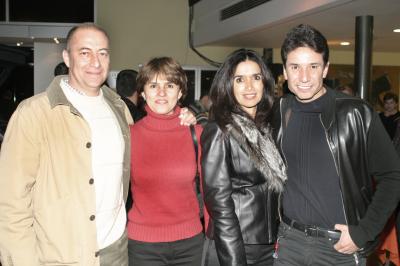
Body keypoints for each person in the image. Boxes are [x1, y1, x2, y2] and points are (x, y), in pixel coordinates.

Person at [0, 23, 134, 266]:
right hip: (59, 256)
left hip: (116, 251)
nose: (95, 61)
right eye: (85, 52)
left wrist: (183, 118)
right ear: (67, 57)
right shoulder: (33, 113)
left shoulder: (120, 108)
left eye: (102, 53)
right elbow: (11, 202)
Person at [272, 24, 400, 266]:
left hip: (338, 248)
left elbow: (393, 176)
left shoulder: (355, 112)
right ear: (285, 72)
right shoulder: (279, 111)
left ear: (325, 69)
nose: (304, 77)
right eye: (295, 67)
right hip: (289, 242)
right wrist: (193, 116)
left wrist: (363, 231)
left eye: (313, 66)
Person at [201, 49, 287, 266]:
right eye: (240, 79)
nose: (249, 87)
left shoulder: (268, 127)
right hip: (236, 246)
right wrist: (234, 259)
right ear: (228, 85)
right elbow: (219, 204)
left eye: (256, 78)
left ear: (265, 83)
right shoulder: (220, 129)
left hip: (270, 244)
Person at [127, 57, 204, 266]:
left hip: (191, 245)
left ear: (180, 92)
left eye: (169, 85)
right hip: (143, 247)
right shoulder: (129, 136)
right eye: (153, 85)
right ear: (142, 92)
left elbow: (210, 191)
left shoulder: (196, 133)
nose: (161, 93)